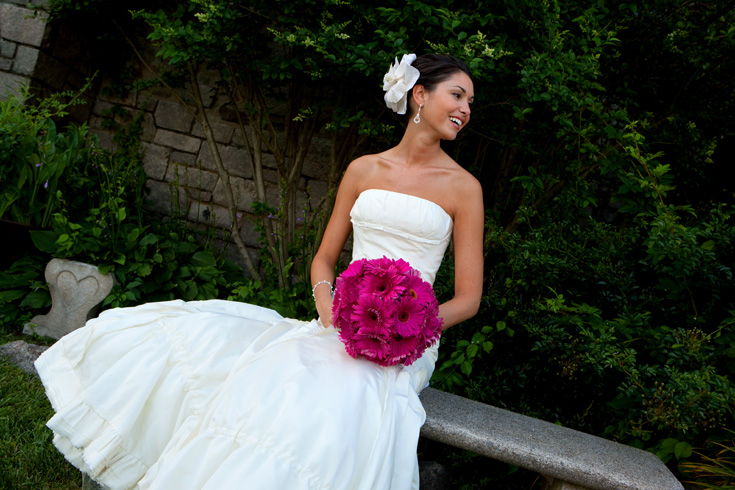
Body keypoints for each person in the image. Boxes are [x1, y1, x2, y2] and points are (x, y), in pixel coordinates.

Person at [35, 53, 483, 490]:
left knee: (341, 401)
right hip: (343, 322)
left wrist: (405, 333)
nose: (465, 109)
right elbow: (324, 260)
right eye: (457, 95)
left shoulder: (464, 188)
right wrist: (329, 308)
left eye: (470, 103)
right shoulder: (363, 169)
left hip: (408, 342)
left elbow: (467, 298)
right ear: (419, 94)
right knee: (258, 371)